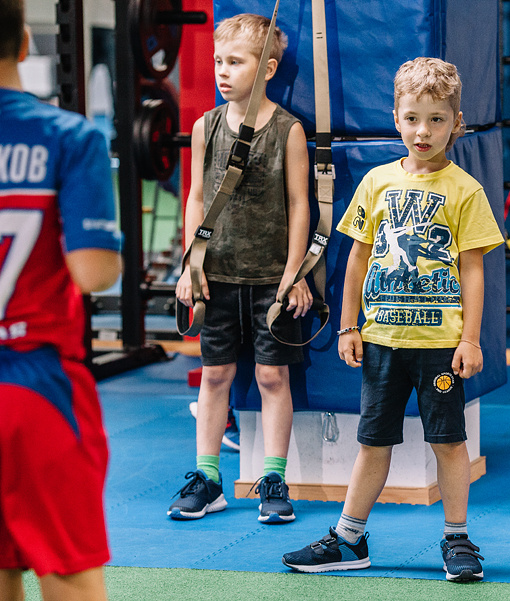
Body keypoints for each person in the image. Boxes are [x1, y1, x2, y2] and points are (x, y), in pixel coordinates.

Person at [282, 57, 504, 582]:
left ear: (457, 122)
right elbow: (356, 259)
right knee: (372, 440)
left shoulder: (465, 190)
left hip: (439, 345)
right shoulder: (377, 183)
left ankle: (457, 538)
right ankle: (348, 538)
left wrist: (470, 339)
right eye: (411, 118)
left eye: (435, 119)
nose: (422, 131)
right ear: (396, 117)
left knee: (448, 441)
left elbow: (474, 272)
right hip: (382, 340)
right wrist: (348, 325)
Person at [169, 13, 313, 523]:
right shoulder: (204, 126)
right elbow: (195, 197)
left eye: (235, 62)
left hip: (272, 279)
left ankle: (273, 475)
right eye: (217, 62)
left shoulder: (288, 130)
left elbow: (301, 205)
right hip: (217, 275)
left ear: (268, 67)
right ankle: (208, 478)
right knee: (215, 376)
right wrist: (192, 264)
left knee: (274, 376)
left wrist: (293, 273)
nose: (222, 72)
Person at [0, 1, 122, 599]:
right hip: (35, 386)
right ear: (24, 42)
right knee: (69, 576)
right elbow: (93, 272)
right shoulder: (69, 136)